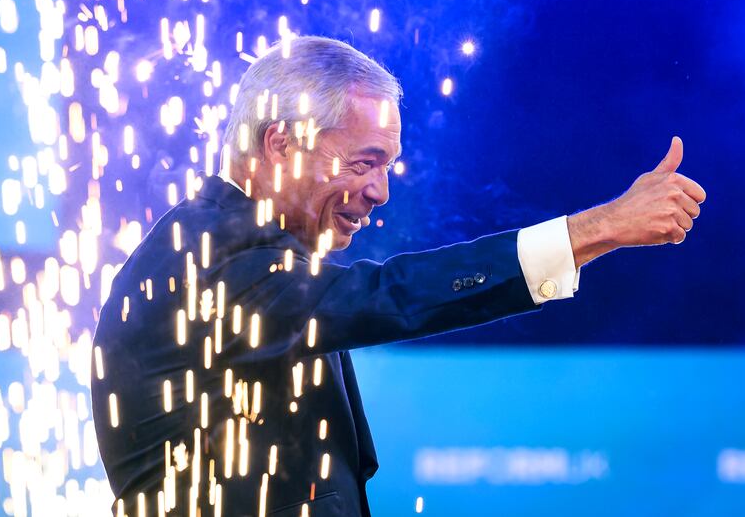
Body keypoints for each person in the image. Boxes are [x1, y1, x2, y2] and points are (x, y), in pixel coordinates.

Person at [91, 36, 705, 517]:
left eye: (389, 166)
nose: (380, 192)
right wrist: (594, 229)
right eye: (365, 163)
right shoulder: (208, 256)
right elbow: (390, 295)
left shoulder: (250, 254)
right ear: (281, 145)